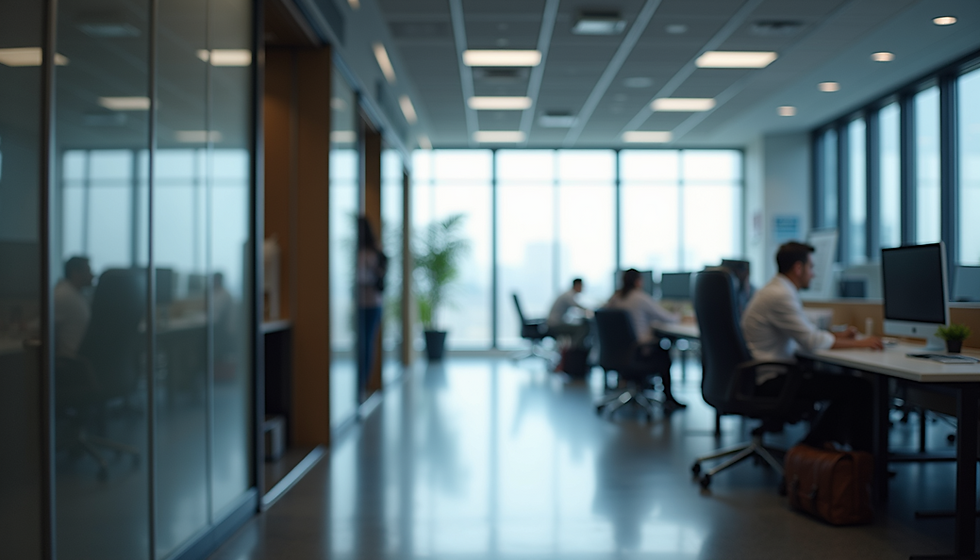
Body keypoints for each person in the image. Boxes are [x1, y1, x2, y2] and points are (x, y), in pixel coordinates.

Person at [741, 241, 883, 450]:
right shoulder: (780, 294)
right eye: (811, 267)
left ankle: (825, 447)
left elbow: (805, 330)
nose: (813, 274)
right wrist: (862, 342)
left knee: (850, 386)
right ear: (798, 268)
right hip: (774, 378)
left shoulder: (776, 289)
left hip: (766, 373)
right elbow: (811, 341)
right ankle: (830, 452)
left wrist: (838, 335)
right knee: (859, 388)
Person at [603, 268, 685, 409]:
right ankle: (668, 399)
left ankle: (639, 388)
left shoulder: (615, 298)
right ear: (638, 281)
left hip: (616, 354)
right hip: (638, 352)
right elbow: (666, 317)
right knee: (664, 352)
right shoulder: (640, 297)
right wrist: (679, 316)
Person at [356, 216, 387, 402]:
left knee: (367, 343)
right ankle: (360, 383)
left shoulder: (374, 251)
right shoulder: (363, 251)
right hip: (363, 302)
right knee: (363, 343)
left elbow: (379, 276)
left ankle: (363, 383)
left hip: (372, 303)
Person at [54, 256, 94, 357]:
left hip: (80, 358)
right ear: (75, 273)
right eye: (88, 271)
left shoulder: (77, 294)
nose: (92, 275)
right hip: (72, 362)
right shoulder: (63, 295)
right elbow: (43, 325)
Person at [546, 278, 592, 349]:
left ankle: (573, 349)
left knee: (579, 326)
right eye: (582, 286)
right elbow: (577, 306)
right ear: (577, 285)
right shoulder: (568, 295)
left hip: (555, 322)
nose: (582, 289)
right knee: (582, 329)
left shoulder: (568, 294)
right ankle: (574, 349)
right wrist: (589, 311)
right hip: (555, 324)